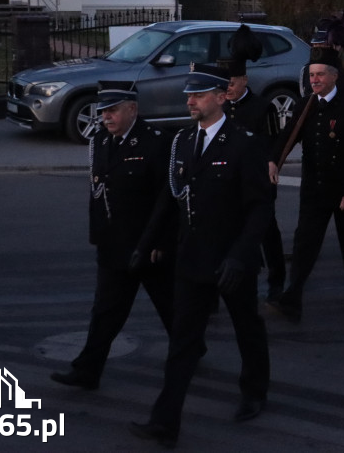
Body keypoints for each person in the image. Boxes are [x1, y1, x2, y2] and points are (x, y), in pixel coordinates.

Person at [130, 68, 274, 448]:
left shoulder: (245, 144)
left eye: (199, 95)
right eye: (188, 95)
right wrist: (145, 245)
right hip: (192, 258)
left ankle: (254, 391)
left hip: (231, 261)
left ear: (222, 97)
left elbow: (260, 208)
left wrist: (241, 257)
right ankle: (165, 421)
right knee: (183, 340)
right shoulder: (182, 141)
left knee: (247, 327)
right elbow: (170, 198)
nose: (190, 101)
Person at [51, 81, 174, 391]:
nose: (105, 116)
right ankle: (87, 371)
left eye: (112, 110)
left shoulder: (156, 143)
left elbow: (167, 199)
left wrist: (160, 243)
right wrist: (99, 238)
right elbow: (98, 194)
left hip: (147, 246)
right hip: (114, 247)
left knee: (171, 307)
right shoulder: (102, 141)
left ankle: (191, 349)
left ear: (132, 109)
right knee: (105, 312)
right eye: (103, 111)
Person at [268, 47, 344, 321]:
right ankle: (293, 297)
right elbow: (288, 135)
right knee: (305, 243)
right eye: (312, 75)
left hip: (343, 190)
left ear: (334, 76)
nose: (315, 80)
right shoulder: (306, 106)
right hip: (315, 188)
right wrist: (274, 160)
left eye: (321, 74)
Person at [219, 25, 286, 302]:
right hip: (226, 181)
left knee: (267, 232)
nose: (228, 89)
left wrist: (271, 162)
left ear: (244, 79)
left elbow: (273, 142)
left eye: (232, 83)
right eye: (224, 84)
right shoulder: (219, 107)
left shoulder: (262, 108)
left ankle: (276, 282)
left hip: (257, 180)